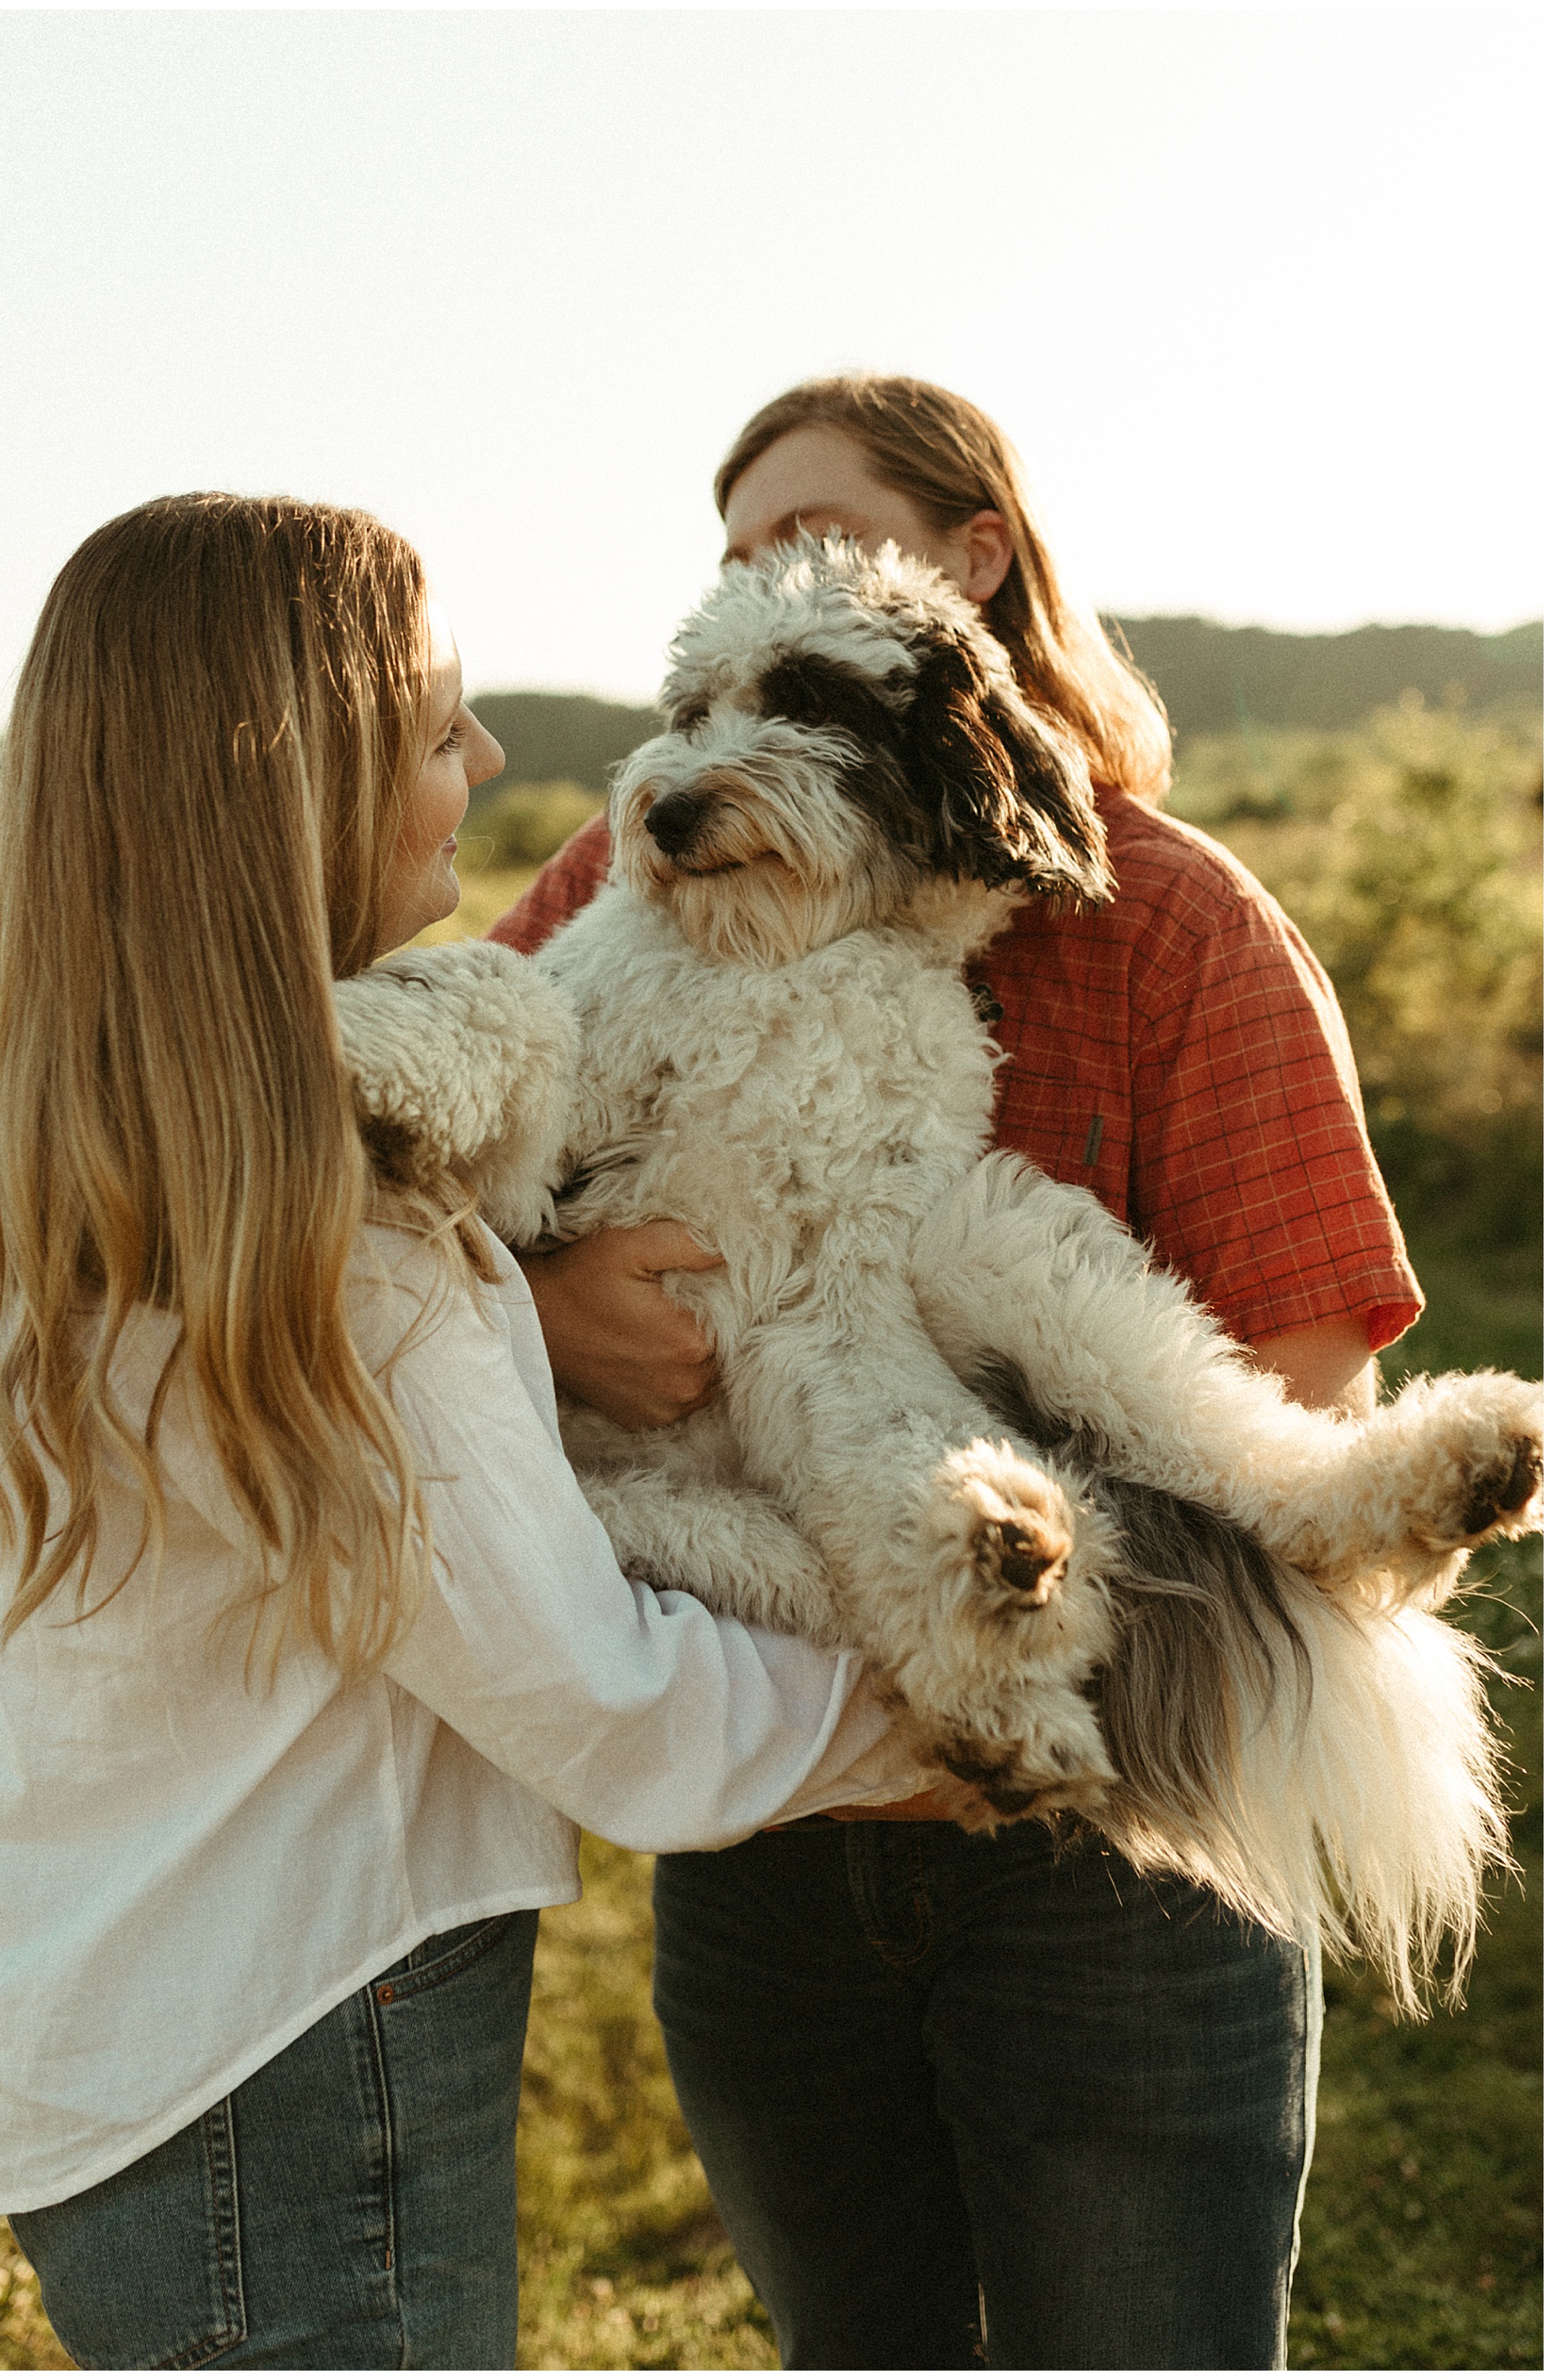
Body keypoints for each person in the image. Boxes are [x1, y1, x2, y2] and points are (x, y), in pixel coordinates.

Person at [0, 492, 934, 2372]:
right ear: (307, 776)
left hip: (95, 2002)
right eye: (442, 725)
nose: (496, 760)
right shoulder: (333, 1231)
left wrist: (519, 1306)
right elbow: (600, 1696)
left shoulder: (58, 1139)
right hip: (292, 2028)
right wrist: (940, 1707)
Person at [487, 374, 1425, 2370]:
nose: (761, 589)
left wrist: (1019, 1611)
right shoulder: (632, 868)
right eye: (729, 565)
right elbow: (453, 1169)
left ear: (967, 562)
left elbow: (1306, 1369)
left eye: (799, 542)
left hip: (1118, 1860)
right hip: (765, 1837)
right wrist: (553, 1302)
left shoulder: (1175, 923)